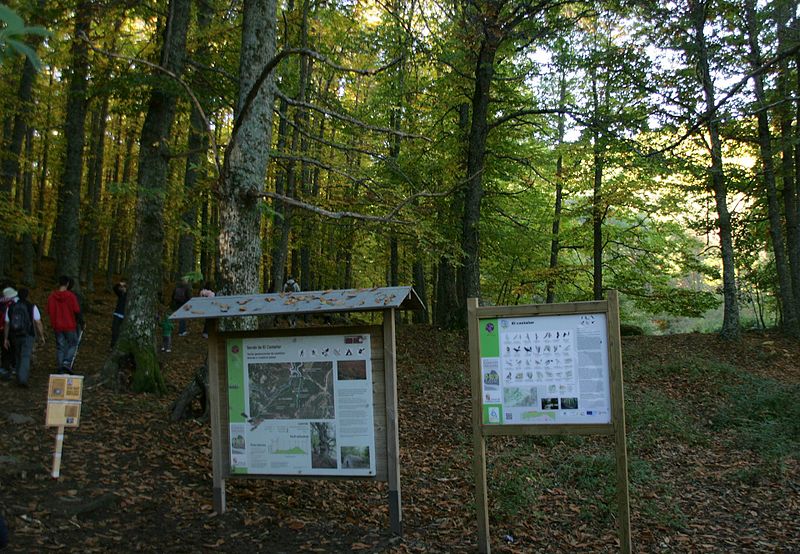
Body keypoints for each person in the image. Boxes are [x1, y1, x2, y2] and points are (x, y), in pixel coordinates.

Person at [3, 287, 45, 387]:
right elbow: (38, 322)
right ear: (27, 295)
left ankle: (18, 376)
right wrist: (41, 336)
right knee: (25, 356)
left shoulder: (11, 307)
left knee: (17, 355)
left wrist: (5, 338)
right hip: (28, 335)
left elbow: (7, 323)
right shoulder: (31, 306)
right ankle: (23, 379)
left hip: (14, 335)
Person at [47, 276, 83, 373]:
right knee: (73, 343)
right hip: (69, 325)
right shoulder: (71, 296)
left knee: (60, 346)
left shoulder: (52, 297)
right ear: (67, 283)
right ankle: (66, 362)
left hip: (57, 326)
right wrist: (81, 321)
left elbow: (49, 311)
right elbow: (76, 310)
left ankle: (60, 366)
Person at [0, 283, 16, 380]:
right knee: (10, 348)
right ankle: (11, 367)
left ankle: (4, 367)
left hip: (2, 328)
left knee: (4, 349)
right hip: (8, 329)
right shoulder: (11, 304)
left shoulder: (2, 303)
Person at [111, 280, 127, 348]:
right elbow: (114, 288)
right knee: (115, 331)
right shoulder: (121, 294)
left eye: (124, 287)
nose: (122, 288)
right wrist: (120, 283)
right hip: (117, 314)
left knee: (122, 332)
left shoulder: (129, 295)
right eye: (121, 287)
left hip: (125, 316)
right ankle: (113, 345)